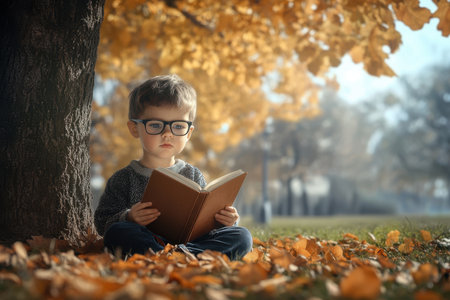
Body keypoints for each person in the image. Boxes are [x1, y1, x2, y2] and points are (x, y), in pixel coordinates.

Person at [94, 74, 253, 260]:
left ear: (189, 133)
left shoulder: (192, 174)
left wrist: (227, 221)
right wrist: (128, 217)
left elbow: (204, 220)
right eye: (155, 125)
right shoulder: (123, 178)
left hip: (192, 243)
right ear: (134, 128)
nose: (168, 134)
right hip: (148, 241)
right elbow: (102, 222)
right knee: (119, 232)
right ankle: (172, 256)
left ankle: (179, 256)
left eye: (178, 126)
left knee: (242, 236)